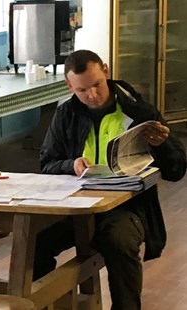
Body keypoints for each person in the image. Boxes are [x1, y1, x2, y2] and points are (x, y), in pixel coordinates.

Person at [36, 50, 186, 309]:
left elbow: (177, 171)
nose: (92, 96)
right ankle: (43, 303)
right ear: (69, 86)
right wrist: (70, 165)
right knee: (35, 240)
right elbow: (46, 164)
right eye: (82, 90)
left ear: (106, 71)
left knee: (117, 240)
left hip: (127, 207)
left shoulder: (140, 111)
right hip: (76, 206)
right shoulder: (65, 115)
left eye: (97, 85)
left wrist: (162, 146)